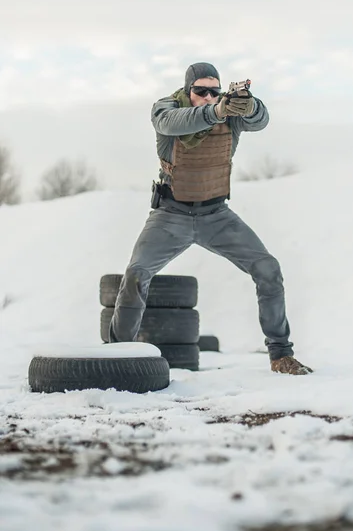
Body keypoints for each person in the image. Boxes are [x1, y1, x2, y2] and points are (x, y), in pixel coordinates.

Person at [109, 62, 312, 375]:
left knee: (268, 269)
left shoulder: (230, 115)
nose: (207, 96)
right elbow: (171, 123)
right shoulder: (166, 108)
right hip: (170, 215)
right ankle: (118, 357)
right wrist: (216, 111)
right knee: (136, 274)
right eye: (200, 90)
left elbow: (261, 121)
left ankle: (281, 355)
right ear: (188, 90)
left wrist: (249, 103)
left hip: (216, 215)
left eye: (213, 91)